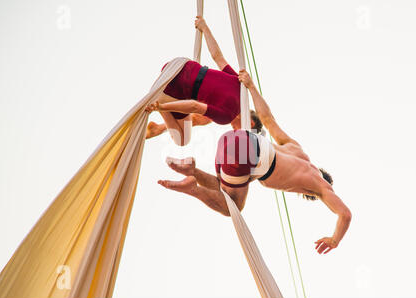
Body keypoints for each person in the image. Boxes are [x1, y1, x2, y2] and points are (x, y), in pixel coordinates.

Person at [157, 70, 352, 255]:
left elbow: (267, 119)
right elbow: (345, 214)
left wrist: (251, 87)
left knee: (224, 191)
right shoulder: (319, 186)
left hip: (232, 140)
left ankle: (193, 171)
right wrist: (334, 241)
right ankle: (193, 188)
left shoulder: (295, 148)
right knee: (233, 207)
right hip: (251, 154)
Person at [145, 16, 262, 146]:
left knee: (200, 118)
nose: (234, 131)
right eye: (239, 131)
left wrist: (204, 27)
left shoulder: (241, 87)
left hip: (179, 65)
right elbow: (195, 106)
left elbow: (217, 57)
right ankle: (161, 108)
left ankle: (160, 120)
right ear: (249, 123)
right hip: (173, 88)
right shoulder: (227, 116)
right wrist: (161, 107)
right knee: (182, 140)